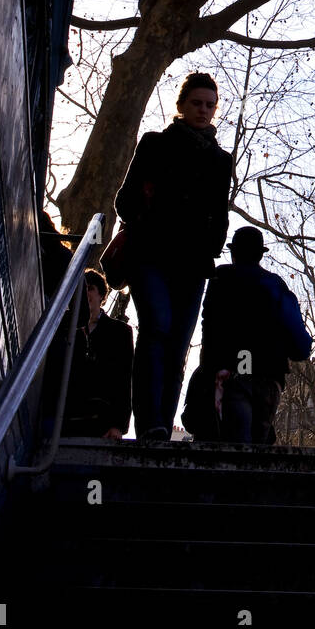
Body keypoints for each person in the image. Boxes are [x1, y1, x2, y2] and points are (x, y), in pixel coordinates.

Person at [114, 72, 233, 444]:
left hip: (193, 265)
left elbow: (220, 212)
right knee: (156, 329)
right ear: (180, 106)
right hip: (150, 256)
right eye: (197, 103)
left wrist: (212, 246)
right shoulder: (154, 144)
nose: (204, 110)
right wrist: (148, 222)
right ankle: (149, 422)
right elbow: (125, 200)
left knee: (178, 346)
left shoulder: (220, 160)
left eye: (210, 105)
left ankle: (161, 426)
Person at [188, 227, 312, 444]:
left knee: (237, 446)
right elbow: (300, 344)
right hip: (268, 379)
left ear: (234, 253)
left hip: (230, 374)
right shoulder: (275, 285)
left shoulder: (221, 277)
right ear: (260, 255)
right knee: (256, 447)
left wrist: (210, 369)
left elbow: (208, 328)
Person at [61, 269, 134, 439]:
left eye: (90, 288)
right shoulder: (62, 327)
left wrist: (118, 425)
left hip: (102, 422)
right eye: (81, 289)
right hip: (66, 419)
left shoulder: (120, 333)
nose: (85, 293)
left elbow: (124, 380)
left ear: (101, 295)